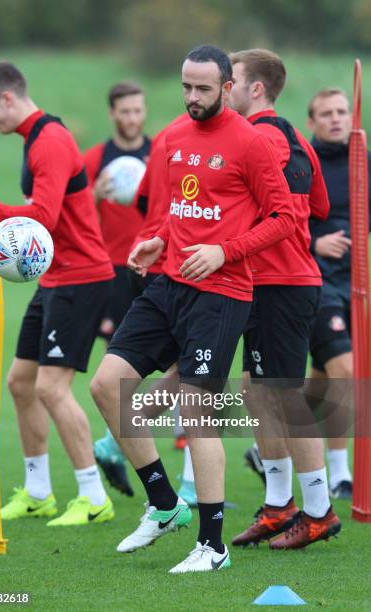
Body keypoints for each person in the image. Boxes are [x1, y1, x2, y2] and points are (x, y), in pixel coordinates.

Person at [90, 44, 296, 573]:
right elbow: (171, 211)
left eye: (203, 88)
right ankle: (163, 506)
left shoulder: (251, 144)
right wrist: (154, 241)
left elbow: (284, 219)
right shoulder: (173, 138)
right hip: (167, 284)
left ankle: (213, 546)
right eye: (186, 86)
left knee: (196, 412)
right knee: (106, 385)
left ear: (228, 87)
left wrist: (225, 251)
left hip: (223, 293)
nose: (192, 97)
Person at [0, 62, 115, 526]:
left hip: (81, 278)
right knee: (20, 383)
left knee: (52, 389)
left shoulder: (49, 141)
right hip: (55, 279)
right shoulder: (35, 138)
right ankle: (38, 492)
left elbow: (42, 220)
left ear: (7, 98)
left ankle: (94, 497)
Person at [228, 49, 341, 549]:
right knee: (259, 392)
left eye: (229, 81)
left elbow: (272, 211)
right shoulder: (299, 140)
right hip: (268, 283)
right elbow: (318, 206)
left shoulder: (255, 140)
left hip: (283, 284)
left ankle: (318, 511)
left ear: (255, 88)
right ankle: (279, 506)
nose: (221, 89)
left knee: (286, 396)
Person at [84, 82, 151, 496]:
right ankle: (114, 446)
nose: (131, 119)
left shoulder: (160, 153)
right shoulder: (95, 159)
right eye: (124, 111)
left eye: (137, 110)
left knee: (140, 369)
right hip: (109, 272)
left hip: (149, 269)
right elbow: (74, 217)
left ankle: (113, 447)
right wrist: (92, 197)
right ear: (112, 113)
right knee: (120, 369)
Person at [306, 88, 371, 498]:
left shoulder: (363, 160)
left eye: (342, 112)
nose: (336, 119)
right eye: (326, 113)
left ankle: (270, 444)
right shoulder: (302, 162)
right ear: (311, 122)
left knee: (322, 381)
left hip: (355, 285)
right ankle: (339, 473)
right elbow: (279, 219)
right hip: (314, 282)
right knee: (346, 372)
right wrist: (316, 242)